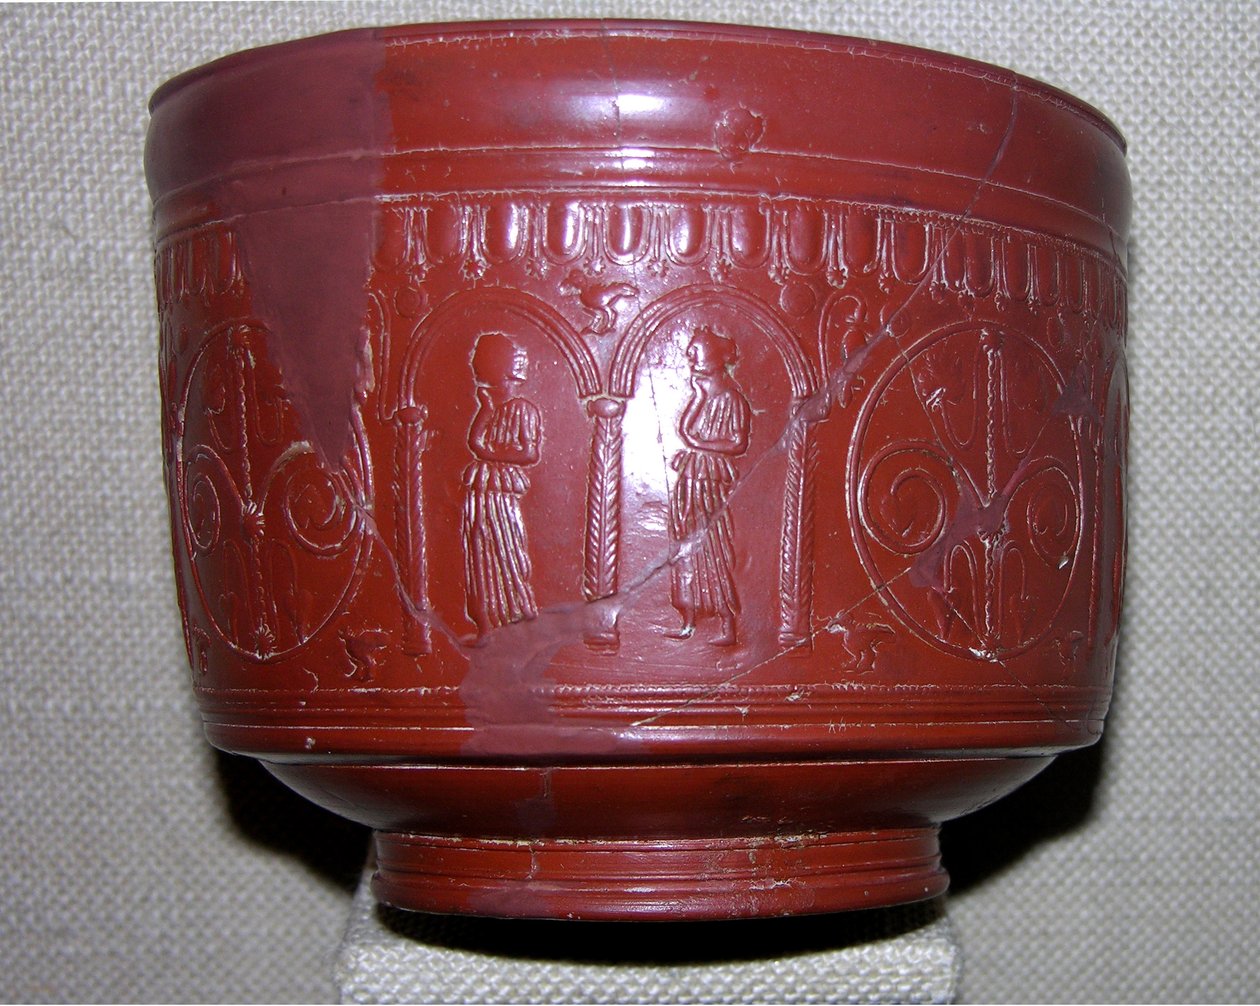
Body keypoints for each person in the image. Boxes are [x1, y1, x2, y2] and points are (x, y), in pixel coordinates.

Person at [667, 327, 751, 646]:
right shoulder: (702, 396)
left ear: (716, 358)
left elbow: (737, 443)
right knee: (684, 549)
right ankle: (688, 619)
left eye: (695, 351)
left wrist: (699, 444)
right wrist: (700, 398)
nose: (689, 357)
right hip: (691, 482)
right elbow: (686, 431)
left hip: (710, 482)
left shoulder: (732, 399)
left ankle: (726, 622)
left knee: (712, 548)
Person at [461, 332, 542, 638]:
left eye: (480, 358)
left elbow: (529, 453)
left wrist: (490, 453)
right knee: (479, 550)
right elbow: (476, 443)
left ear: (501, 364)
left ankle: (516, 619)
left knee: (506, 549)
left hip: (502, 490)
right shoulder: (489, 406)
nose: (473, 363)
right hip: (481, 490)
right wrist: (486, 411)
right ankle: (486, 623)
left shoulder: (522, 409)